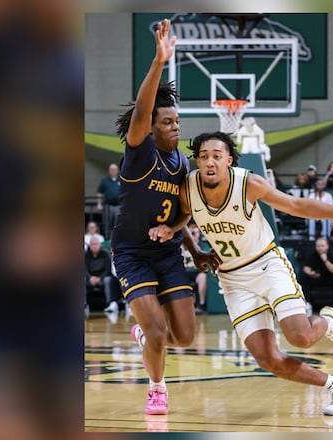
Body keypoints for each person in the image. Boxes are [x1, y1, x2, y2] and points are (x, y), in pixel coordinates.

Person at [155, 131, 333, 416]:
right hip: (232, 279)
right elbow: (183, 218)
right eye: (203, 157)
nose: (210, 162)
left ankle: (329, 322)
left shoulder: (249, 183)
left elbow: (295, 205)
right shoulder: (188, 189)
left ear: (229, 160)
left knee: (300, 337)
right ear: (197, 161)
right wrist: (196, 251)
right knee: (267, 359)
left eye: (216, 156)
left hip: (266, 265)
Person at [112, 19, 221, 416]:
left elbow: (181, 214)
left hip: (169, 253)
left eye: (177, 121)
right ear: (151, 128)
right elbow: (143, 108)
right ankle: (157, 388)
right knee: (159, 334)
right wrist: (159, 62)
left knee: (185, 336)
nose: (176, 127)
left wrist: (196, 250)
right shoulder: (140, 152)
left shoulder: (179, 161)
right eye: (168, 122)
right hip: (131, 252)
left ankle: (145, 336)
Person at [300, 237, 333, 316]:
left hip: (329, 278)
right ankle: (308, 304)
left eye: (322, 246)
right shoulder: (312, 255)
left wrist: (325, 260)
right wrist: (311, 273)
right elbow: (306, 268)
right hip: (316, 278)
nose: (320, 248)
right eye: (318, 246)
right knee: (303, 278)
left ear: (327, 246)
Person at [85, 235, 116, 312]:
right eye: (92, 244)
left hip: (102, 278)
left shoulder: (106, 254)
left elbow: (108, 270)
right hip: (89, 278)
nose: (94, 246)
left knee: (108, 280)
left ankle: (110, 304)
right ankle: (83, 304)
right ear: (89, 245)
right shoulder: (85, 255)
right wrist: (90, 278)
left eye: (96, 244)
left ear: (99, 245)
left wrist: (100, 278)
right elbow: (84, 270)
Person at [182, 224, 207, 313]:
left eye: (197, 233)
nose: (195, 235)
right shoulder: (183, 245)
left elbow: (205, 261)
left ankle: (201, 305)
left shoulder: (202, 245)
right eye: (192, 233)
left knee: (203, 277)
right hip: (184, 272)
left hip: (197, 272)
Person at [96, 163, 121, 240]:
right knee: (107, 224)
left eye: (114, 169)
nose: (113, 171)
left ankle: (117, 240)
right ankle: (107, 240)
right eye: (111, 169)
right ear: (109, 171)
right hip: (108, 205)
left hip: (118, 206)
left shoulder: (121, 180)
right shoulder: (105, 181)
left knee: (118, 224)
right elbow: (100, 193)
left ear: (117, 170)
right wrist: (99, 204)